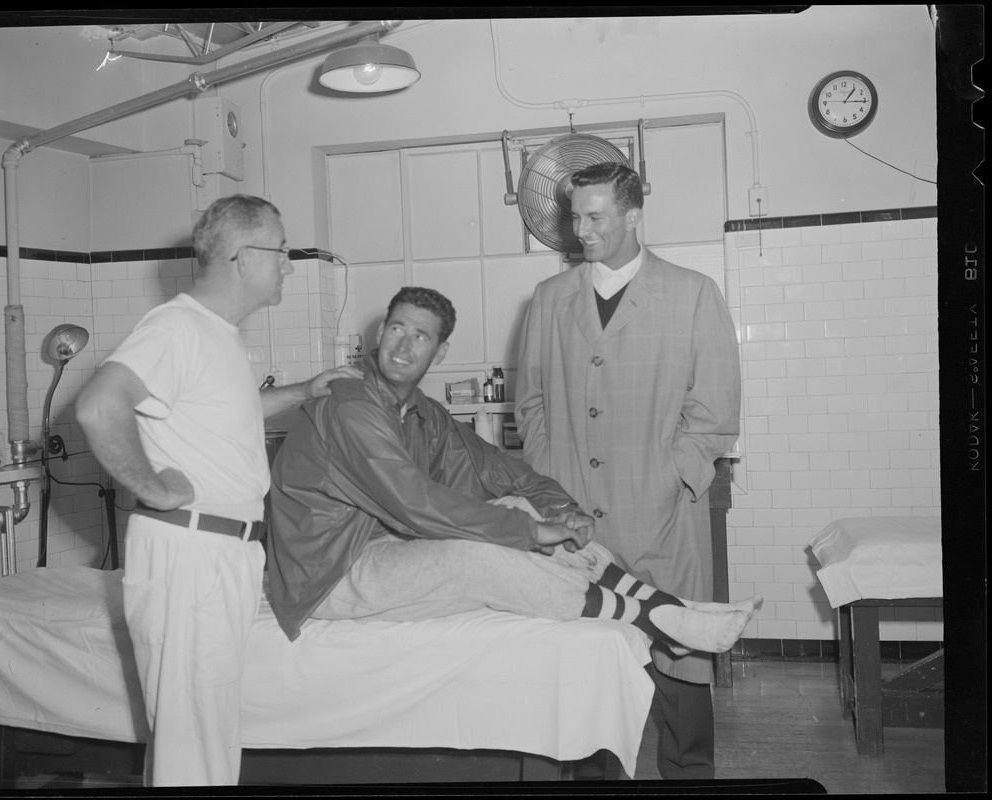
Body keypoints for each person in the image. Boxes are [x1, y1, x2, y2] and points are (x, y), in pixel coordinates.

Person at [266, 286, 759, 663]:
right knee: (474, 555)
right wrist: (529, 532)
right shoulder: (351, 404)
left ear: (438, 353)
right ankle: (657, 621)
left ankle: (667, 605)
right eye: (396, 328)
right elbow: (415, 503)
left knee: (517, 508)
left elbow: (497, 468)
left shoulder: (420, 411)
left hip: (378, 547)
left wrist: (557, 507)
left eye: (420, 336)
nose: (403, 345)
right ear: (380, 333)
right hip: (329, 575)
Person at [75, 194, 360, 787]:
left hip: (222, 553)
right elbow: (100, 407)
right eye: (280, 250)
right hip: (191, 553)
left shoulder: (218, 334)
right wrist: (152, 488)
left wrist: (305, 389)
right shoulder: (177, 326)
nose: (287, 263)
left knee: (206, 735)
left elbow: (225, 416)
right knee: (192, 741)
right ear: (240, 255)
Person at [514, 162, 742, 779]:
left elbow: (716, 412)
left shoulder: (692, 293)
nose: (579, 230)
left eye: (595, 217)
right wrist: (546, 477)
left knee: (680, 659)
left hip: (661, 512)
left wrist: (670, 478)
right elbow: (529, 401)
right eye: (575, 217)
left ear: (633, 215)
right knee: (587, 662)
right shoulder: (550, 298)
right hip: (573, 516)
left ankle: (689, 781)